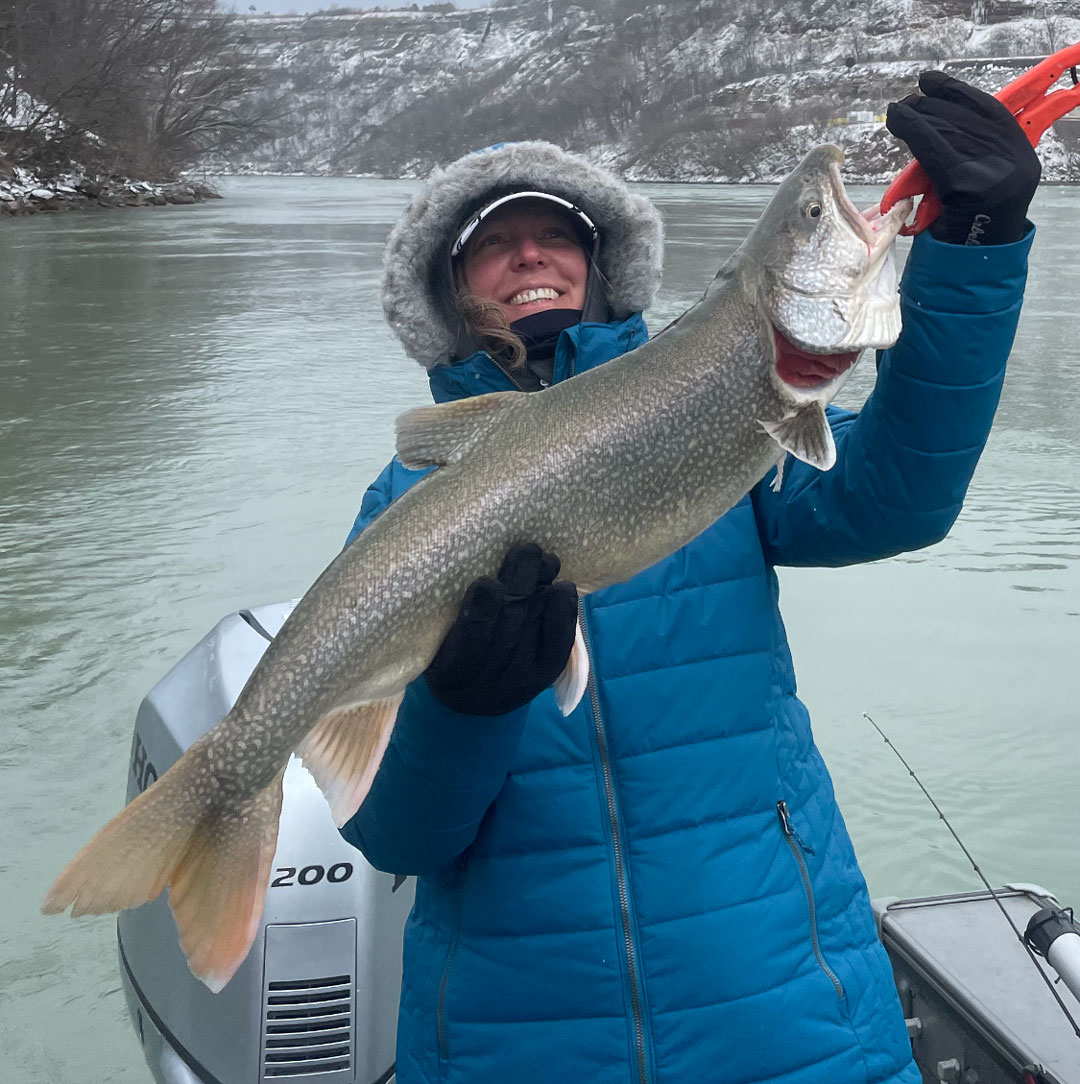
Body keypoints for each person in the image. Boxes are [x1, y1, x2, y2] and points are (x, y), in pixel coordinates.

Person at [340, 73, 1040, 1084]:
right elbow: (402, 833)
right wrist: (463, 706)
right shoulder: (407, 503)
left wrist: (971, 251)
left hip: (797, 1020)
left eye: (556, 235)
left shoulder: (726, 427)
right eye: (495, 241)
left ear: (601, 263)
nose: (530, 253)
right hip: (516, 1043)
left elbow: (900, 495)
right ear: (452, 292)